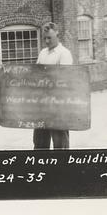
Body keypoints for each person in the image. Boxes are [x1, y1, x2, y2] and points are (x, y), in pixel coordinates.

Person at [34, 22, 73, 150]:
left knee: (60, 142)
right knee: (40, 141)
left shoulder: (64, 53)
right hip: (41, 104)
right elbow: (36, 74)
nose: (46, 41)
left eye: (49, 38)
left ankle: (61, 168)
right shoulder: (42, 53)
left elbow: (64, 79)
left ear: (57, 34)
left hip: (58, 104)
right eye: (44, 38)